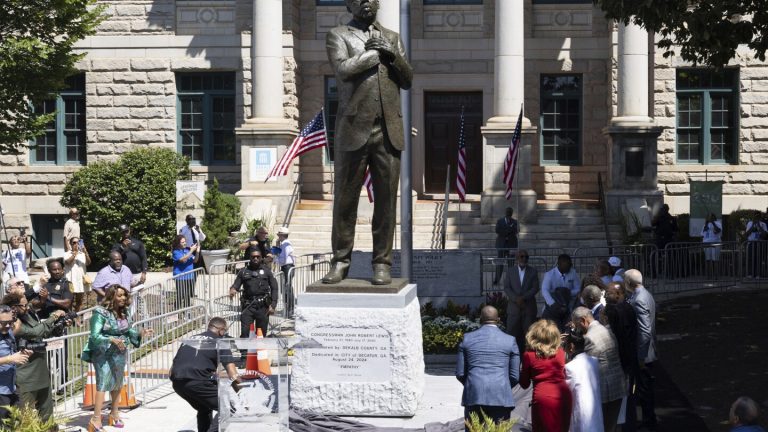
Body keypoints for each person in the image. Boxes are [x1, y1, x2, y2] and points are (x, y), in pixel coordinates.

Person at [321, 0, 413, 286]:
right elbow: (344, 70)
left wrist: (391, 53)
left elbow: (407, 78)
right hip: (353, 129)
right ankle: (340, 261)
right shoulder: (338, 35)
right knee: (345, 202)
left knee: (386, 203)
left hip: (387, 130)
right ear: (349, 5)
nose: (367, 3)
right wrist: (375, 53)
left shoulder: (392, 38)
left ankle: (382, 263)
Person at [82, 286, 152, 431]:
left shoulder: (124, 311)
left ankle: (114, 414)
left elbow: (129, 330)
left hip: (119, 352)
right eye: (119, 296)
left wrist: (140, 333)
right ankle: (95, 419)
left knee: (117, 383)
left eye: (124, 296)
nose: (123, 298)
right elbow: (94, 335)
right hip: (103, 353)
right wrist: (112, 340)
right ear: (111, 296)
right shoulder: (100, 313)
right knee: (103, 383)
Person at [3, 293, 69, 424]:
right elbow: (36, 332)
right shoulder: (12, 324)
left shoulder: (28, 316)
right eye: (24, 305)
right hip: (25, 378)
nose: (27, 307)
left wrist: (60, 324)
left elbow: (43, 333)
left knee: (47, 417)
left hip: (41, 373)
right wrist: (53, 316)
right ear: (13, 307)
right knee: (24, 420)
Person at [170, 317, 240, 432]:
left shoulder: (190, 339)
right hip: (198, 380)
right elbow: (233, 374)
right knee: (227, 407)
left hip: (177, 382)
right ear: (221, 330)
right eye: (225, 331)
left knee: (204, 408)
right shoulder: (220, 342)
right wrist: (242, 394)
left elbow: (173, 367)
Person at [455, 306, 520, 429]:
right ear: (499, 320)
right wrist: (503, 386)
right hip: (501, 394)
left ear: (480, 319)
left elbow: (460, 373)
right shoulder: (510, 341)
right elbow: (515, 376)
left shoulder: (467, 338)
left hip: (474, 392)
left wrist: (472, 384)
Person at [571, 306, 626, 432]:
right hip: (618, 383)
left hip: (605, 389)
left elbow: (587, 366)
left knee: (605, 426)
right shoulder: (605, 329)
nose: (579, 330)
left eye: (578, 325)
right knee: (613, 424)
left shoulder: (590, 337)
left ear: (583, 320)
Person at [519, 319, 572, 432]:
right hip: (563, 395)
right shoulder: (561, 353)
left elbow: (524, 384)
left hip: (542, 397)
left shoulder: (529, 355)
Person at [623, 269, 657, 430]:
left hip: (642, 354)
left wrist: (641, 357)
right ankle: (648, 421)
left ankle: (649, 423)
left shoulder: (639, 299)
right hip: (645, 351)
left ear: (629, 283)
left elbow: (645, 330)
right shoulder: (644, 295)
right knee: (644, 391)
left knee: (644, 391)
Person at [229, 250, 278, 337]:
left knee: (261, 333)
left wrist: (273, 304)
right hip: (248, 306)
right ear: (250, 258)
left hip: (263, 306)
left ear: (261, 258)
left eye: (258, 257)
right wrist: (233, 289)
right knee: (245, 332)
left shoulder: (267, 271)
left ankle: (259, 350)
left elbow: (274, 288)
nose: (255, 258)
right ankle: (244, 351)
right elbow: (236, 285)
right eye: (253, 257)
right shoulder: (243, 271)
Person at [563, 328, 603, 432]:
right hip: (595, 413)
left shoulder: (569, 368)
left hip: (580, 415)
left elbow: (566, 393)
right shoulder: (594, 361)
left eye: (565, 345)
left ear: (571, 347)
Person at [0, 304, 31, 423]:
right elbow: (10, 358)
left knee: (21, 422)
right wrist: (10, 359)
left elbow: (12, 354)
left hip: (12, 387)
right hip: (1, 392)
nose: (8, 326)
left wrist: (22, 354)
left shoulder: (9, 333)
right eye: (3, 323)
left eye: (10, 322)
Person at [503, 249, 538, 345]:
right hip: (513, 309)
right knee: (511, 334)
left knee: (530, 336)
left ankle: (528, 357)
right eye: (522, 256)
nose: (524, 259)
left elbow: (535, 288)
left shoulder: (533, 271)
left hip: (528, 308)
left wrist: (523, 298)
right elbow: (507, 287)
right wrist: (515, 299)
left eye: (526, 257)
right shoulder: (510, 271)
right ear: (517, 258)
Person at [541, 254, 580, 331]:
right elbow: (544, 290)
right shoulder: (549, 275)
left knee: (567, 329)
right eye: (567, 265)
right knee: (552, 329)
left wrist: (567, 293)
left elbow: (578, 288)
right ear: (559, 264)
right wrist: (552, 303)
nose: (570, 266)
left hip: (568, 306)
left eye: (570, 264)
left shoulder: (573, 273)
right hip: (553, 307)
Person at [172, 235, 200, 310]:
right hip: (180, 277)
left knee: (187, 295)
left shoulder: (187, 251)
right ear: (178, 243)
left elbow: (195, 260)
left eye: (185, 242)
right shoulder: (176, 252)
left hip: (189, 276)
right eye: (182, 242)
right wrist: (191, 250)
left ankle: (186, 312)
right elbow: (183, 260)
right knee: (180, 295)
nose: (185, 243)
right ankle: (176, 312)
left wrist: (197, 252)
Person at [64, 236, 91, 313]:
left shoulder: (82, 254)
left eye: (78, 242)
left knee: (79, 300)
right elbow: (68, 262)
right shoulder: (67, 254)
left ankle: (77, 317)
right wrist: (74, 254)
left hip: (80, 281)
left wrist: (85, 252)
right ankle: (69, 317)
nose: (76, 244)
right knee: (70, 300)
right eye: (74, 243)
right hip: (70, 280)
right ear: (71, 244)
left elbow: (88, 263)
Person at [494, 207, 519, 285]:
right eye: (508, 211)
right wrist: (509, 229)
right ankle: (497, 280)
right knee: (500, 263)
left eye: (510, 211)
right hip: (501, 245)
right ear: (505, 212)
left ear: (512, 213)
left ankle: (510, 281)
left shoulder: (515, 222)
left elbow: (517, 230)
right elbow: (497, 230)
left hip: (511, 245)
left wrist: (505, 229)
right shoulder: (500, 221)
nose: (509, 213)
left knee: (511, 264)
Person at [745, 213, 767, 279]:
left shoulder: (763, 224)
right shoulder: (749, 223)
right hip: (751, 243)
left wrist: (759, 226)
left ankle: (758, 274)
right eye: (755, 217)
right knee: (750, 259)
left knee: (758, 259)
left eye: (758, 217)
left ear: (760, 217)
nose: (757, 218)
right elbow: (746, 234)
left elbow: (765, 234)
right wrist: (752, 226)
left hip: (759, 243)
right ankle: (750, 274)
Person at [701, 213, 722, 278]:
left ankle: (716, 275)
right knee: (707, 260)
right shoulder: (705, 224)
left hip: (715, 243)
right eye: (708, 217)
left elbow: (718, 231)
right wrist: (706, 224)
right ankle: (708, 276)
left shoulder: (718, 223)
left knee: (715, 260)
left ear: (714, 217)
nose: (709, 218)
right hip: (706, 243)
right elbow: (702, 234)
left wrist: (713, 223)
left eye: (710, 217)